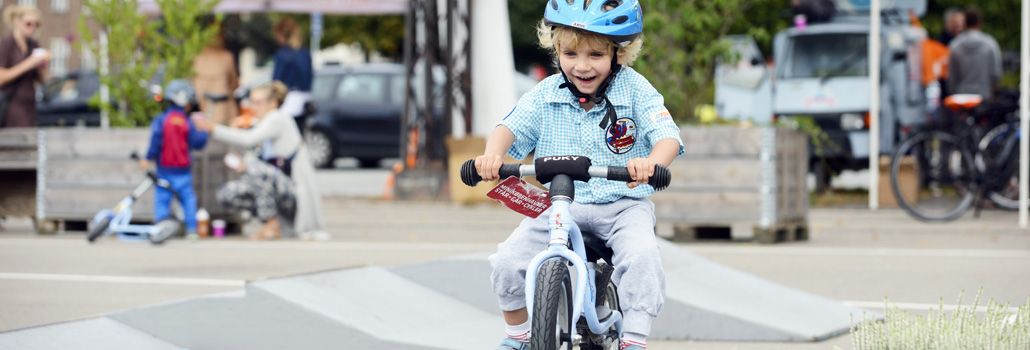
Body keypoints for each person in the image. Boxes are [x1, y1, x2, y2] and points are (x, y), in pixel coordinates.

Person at [473, 1, 683, 349]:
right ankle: (519, 337)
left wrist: (651, 163)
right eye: (570, 53)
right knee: (508, 259)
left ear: (619, 53)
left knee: (642, 255)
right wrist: (492, 156)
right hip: (558, 204)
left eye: (595, 55)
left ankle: (634, 338)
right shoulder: (545, 94)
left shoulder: (634, 89)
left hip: (621, 205)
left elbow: (667, 136)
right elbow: (509, 127)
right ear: (555, 50)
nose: (582, 66)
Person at [193, 81, 327, 240]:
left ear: (273, 103)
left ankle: (272, 224)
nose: (253, 107)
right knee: (228, 193)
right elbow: (255, 152)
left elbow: (249, 140)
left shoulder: (277, 118)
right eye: (251, 102)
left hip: (292, 190)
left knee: (254, 169)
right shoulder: (260, 122)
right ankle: (271, 222)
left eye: (258, 103)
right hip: (278, 186)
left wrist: (213, 128)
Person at [142, 80, 209, 240]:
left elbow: (155, 141)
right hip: (183, 170)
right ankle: (191, 229)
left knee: (162, 199)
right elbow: (197, 143)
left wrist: (148, 157)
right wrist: (205, 130)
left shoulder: (161, 119)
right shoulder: (188, 123)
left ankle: (161, 226)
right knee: (188, 200)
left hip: (164, 169)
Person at [217, 152, 296, 240]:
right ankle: (269, 224)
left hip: (289, 197)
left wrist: (269, 219)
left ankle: (271, 224)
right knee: (237, 192)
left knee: (258, 188)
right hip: (281, 198)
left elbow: (265, 191)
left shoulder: (254, 168)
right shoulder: (246, 174)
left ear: (239, 157)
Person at [0, 5, 49, 128]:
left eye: (36, 25)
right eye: (28, 24)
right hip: (10, 108)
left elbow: (42, 80)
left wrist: (43, 65)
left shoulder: (34, 45)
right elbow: (1, 77)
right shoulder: (6, 45)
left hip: (29, 107)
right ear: (17, 22)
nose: (33, 28)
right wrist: (30, 62)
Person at [947, 7, 1002, 101]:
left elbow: (951, 76)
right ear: (980, 23)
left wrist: (952, 92)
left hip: (961, 97)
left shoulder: (955, 45)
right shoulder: (990, 44)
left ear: (965, 23)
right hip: (984, 95)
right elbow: (996, 73)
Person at [271, 18, 313, 133]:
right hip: (305, 102)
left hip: (288, 102)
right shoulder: (305, 52)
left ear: (281, 35)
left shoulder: (283, 54)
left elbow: (276, 81)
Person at [193, 31, 239, 125]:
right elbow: (234, 83)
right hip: (223, 109)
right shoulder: (227, 56)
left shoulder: (195, 57)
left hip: (202, 108)